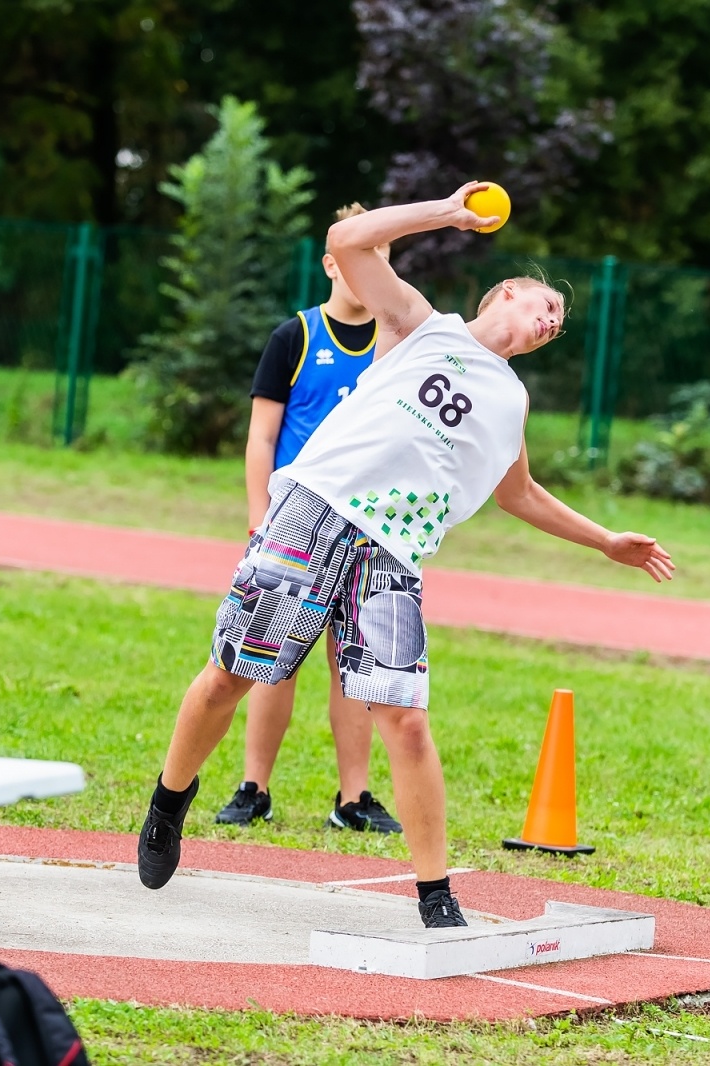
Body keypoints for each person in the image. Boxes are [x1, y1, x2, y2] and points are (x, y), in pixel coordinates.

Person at [136, 183, 675, 927]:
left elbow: (521, 493)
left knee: (407, 719)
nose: (552, 322)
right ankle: (170, 801)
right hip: (316, 505)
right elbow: (348, 239)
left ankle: (435, 894)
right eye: (544, 306)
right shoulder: (421, 325)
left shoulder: (510, 401)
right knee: (231, 675)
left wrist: (605, 540)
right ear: (507, 292)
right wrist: (449, 213)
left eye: (558, 325)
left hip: (392, 550)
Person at [216, 202, 401, 834]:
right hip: (298, 521)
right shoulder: (294, 336)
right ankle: (253, 788)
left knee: (354, 666)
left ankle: (353, 799)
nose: (369, 268)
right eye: (359, 255)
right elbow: (261, 437)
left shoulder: (399, 341)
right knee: (271, 655)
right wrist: (257, 512)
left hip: (367, 524)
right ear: (332, 262)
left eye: (382, 256)